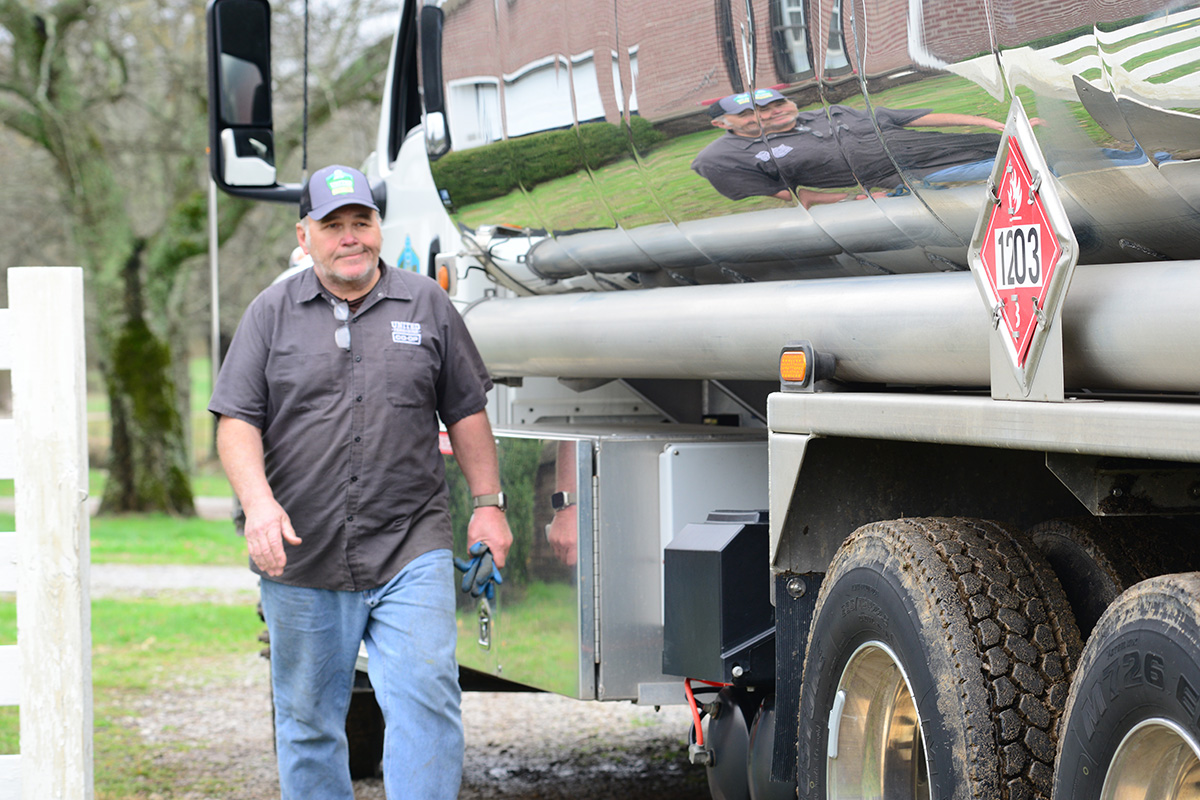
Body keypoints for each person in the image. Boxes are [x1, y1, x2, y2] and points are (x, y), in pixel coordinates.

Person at [209, 164, 513, 800]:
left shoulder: (426, 301)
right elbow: (236, 420)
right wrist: (258, 506)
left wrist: (488, 506)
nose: (350, 237)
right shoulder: (271, 311)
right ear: (305, 235)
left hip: (410, 542)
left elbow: (465, 410)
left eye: (361, 222)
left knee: (428, 698)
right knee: (310, 720)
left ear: (379, 227)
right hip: (302, 549)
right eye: (333, 226)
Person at [691, 88, 1007, 207]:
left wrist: (989, 123)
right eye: (748, 113)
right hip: (911, 173)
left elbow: (910, 117)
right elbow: (798, 196)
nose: (771, 112)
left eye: (778, 103)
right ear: (722, 123)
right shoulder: (720, 159)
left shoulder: (826, 114)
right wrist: (856, 198)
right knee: (1009, 171)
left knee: (1023, 156)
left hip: (942, 146)